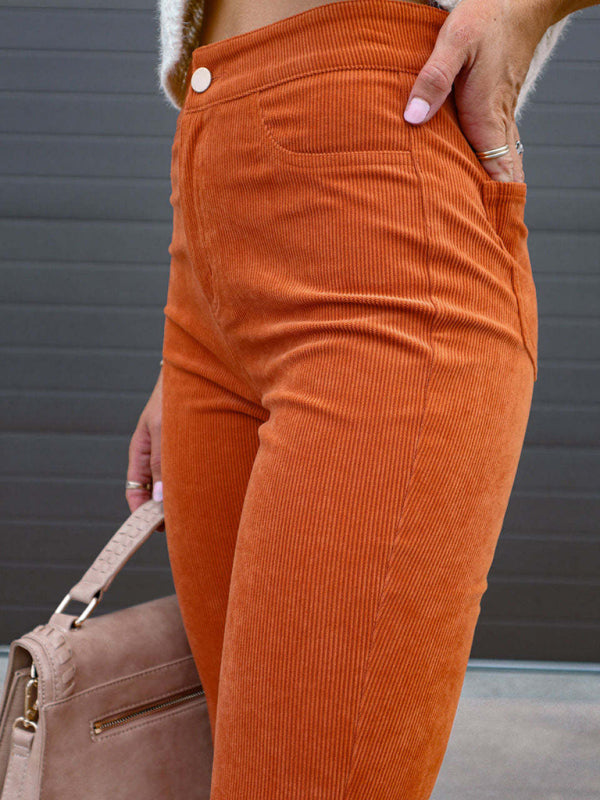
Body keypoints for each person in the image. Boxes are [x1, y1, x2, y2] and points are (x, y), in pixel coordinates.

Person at [125, 0, 594, 797]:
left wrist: (523, 10)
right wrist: (198, 335)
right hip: (210, 197)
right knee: (251, 765)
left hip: (384, 182)